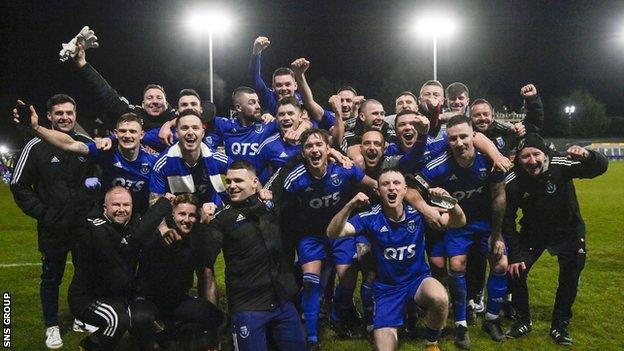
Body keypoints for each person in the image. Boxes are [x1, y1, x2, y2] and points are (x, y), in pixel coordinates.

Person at [327, 168, 466, 351]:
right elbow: (333, 233)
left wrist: (451, 202)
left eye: (396, 183)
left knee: (440, 297)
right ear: (378, 191)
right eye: (385, 184)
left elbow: (459, 222)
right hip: (387, 289)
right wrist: (349, 206)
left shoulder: (418, 213)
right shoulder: (370, 217)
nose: (391, 188)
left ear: (404, 190)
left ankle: (431, 344)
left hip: (417, 280)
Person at [273, 128, 377, 349]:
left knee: (348, 279)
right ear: (303, 153)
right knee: (311, 282)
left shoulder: (344, 169)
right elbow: (280, 203)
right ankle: (310, 336)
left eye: (319, 145)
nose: (314, 149)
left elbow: (370, 182)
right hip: (311, 236)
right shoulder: (295, 179)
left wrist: (390, 190)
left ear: (328, 149)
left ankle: (338, 316)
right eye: (309, 146)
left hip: (340, 232)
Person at [503, 134, 608, 345]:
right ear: (517, 158)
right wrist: (514, 254)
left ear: (545, 154)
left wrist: (587, 156)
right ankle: (523, 320)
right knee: (515, 271)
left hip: (568, 230)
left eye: (536, 154)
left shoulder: (561, 163)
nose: (532, 161)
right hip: (534, 232)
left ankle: (559, 324)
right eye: (525, 156)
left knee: (569, 277)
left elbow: (600, 168)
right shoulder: (513, 181)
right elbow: (507, 220)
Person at [10, 95, 97, 349]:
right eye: (59, 113)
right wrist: (44, 213)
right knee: (51, 278)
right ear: (49, 116)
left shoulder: (85, 144)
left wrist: (91, 203)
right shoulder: (35, 146)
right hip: (52, 228)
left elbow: (99, 175)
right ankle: (51, 326)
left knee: (85, 273)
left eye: (69, 112)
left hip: (83, 226)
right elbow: (19, 185)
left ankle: (81, 317)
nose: (64, 117)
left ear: (75, 114)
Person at [195, 161, 305, 351]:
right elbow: (205, 258)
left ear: (255, 182)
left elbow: (287, 168)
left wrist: (333, 151)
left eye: (238, 180)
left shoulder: (269, 203)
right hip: (248, 306)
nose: (232, 186)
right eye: (228, 181)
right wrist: (203, 225)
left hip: (282, 300)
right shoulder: (222, 219)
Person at [419, 115, 509, 349]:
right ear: (447, 141)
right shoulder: (438, 165)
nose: (459, 143)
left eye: (463, 137)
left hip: (486, 223)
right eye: (453, 139)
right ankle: (460, 324)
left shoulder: (489, 161)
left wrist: (497, 235)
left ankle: (492, 319)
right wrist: (429, 209)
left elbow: (499, 198)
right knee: (456, 266)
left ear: (473, 137)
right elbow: (412, 188)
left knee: (500, 264)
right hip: (458, 224)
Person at [68, 187, 173, 350]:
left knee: (140, 317)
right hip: (87, 298)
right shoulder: (94, 227)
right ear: (105, 207)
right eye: (116, 205)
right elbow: (134, 237)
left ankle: (91, 344)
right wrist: (163, 204)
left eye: (126, 205)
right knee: (117, 319)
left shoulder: (133, 225)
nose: (121, 210)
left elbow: (142, 234)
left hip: (116, 297)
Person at [17, 110, 158, 215]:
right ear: (116, 133)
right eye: (123, 131)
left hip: (139, 219)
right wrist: (36, 127)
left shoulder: (153, 162)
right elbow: (70, 145)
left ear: (141, 134)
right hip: (108, 220)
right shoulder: (105, 153)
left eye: (132, 131)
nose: (127, 135)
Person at [132, 193, 223, 350]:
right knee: (141, 318)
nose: (186, 220)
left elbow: (206, 268)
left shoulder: (196, 239)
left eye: (191, 215)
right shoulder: (156, 234)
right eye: (181, 214)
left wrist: (204, 226)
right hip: (148, 299)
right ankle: (150, 343)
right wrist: (164, 203)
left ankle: (168, 336)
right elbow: (139, 235)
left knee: (213, 314)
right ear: (172, 214)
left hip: (176, 301)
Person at [72, 43, 176, 131]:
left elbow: (191, 114)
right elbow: (107, 93)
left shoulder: (176, 117)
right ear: (143, 105)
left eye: (159, 98)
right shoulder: (134, 113)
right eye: (150, 98)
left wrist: (170, 124)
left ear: (166, 103)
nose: (154, 101)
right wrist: (83, 64)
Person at [150, 109, 232, 207]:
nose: (190, 132)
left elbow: (244, 178)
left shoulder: (217, 159)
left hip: (212, 215)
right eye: (184, 128)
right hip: (180, 217)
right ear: (177, 133)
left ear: (203, 133)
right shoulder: (163, 163)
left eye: (195, 128)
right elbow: (155, 205)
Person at [249, 36, 303, 115]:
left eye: (288, 84)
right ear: (273, 87)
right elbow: (254, 78)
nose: (284, 88)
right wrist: (256, 52)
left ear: (295, 85)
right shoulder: (269, 98)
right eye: (279, 85)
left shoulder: (303, 100)